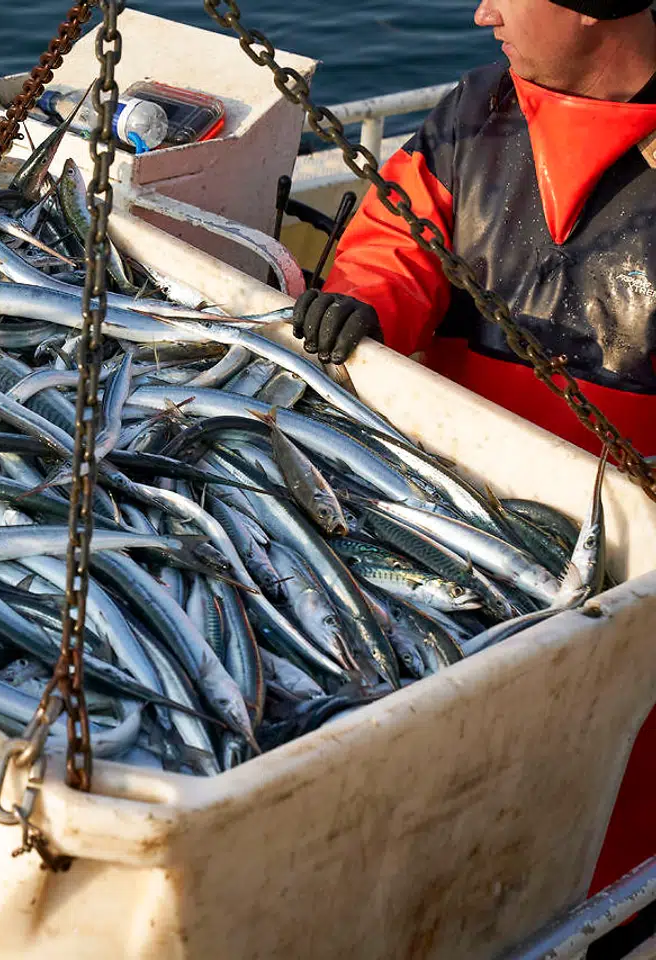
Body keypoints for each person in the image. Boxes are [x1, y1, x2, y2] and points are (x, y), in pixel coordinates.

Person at [292, 0, 656, 943]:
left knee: (599, 826)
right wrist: (364, 305)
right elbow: (396, 239)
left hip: (628, 587)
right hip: (446, 532)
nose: (482, 9)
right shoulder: (475, 113)